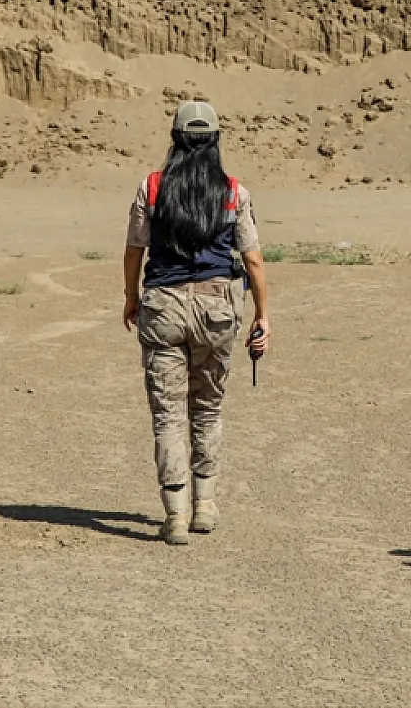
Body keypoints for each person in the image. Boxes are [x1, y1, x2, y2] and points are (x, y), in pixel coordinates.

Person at [122, 101, 271, 546]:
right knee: (207, 408)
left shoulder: (151, 187)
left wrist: (131, 298)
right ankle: (205, 505)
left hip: (163, 307)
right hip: (217, 310)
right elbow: (254, 260)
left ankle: (175, 514)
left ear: (175, 140)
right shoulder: (233, 192)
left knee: (167, 415)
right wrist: (263, 315)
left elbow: (135, 251)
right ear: (215, 141)